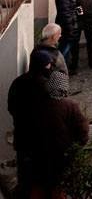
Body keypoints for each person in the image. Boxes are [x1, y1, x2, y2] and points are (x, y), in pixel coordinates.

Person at [30, 71, 89, 198]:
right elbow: (83, 131)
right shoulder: (70, 106)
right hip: (62, 154)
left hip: (38, 154)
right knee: (59, 188)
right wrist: (76, 147)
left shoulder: (36, 104)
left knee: (39, 187)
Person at [8, 50, 53, 197]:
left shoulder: (17, 83)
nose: (50, 67)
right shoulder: (46, 87)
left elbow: (11, 107)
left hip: (22, 138)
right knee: (43, 179)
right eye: (48, 65)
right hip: (41, 141)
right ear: (42, 66)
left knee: (25, 177)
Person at [54, 0, 80, 74]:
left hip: (67, 24)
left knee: (66, 48)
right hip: (67, 26)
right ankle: (59, 71)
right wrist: (71, 29)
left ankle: (64, 70)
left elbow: (67, 10)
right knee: (64, 48)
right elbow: (65, 13)